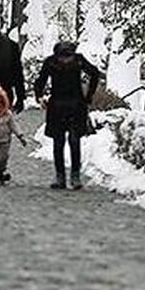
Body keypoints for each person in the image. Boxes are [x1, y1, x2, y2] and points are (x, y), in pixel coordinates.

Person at [33, 40, 101, 190]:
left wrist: (88, 96)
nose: (65, 60)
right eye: (62, 57)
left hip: (76, 104)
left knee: (74, 140)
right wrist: (39, 96)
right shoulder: (50, 62)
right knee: (58, 142)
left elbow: (95, 73)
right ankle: (60, 175)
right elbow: (40, 80)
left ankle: (75, 175)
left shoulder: (79, 60)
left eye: (68, 56)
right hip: (57, 104)